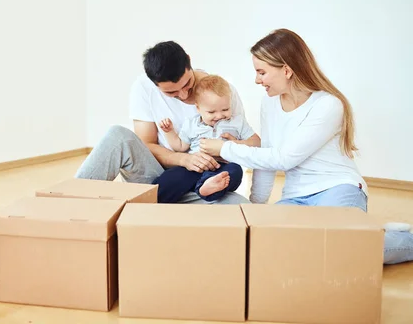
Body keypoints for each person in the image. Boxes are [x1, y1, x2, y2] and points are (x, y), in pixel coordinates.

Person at [199, 28, 413, 265]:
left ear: (287, 70)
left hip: (336, 188)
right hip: (295, 197)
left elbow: (284, 159)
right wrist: (258, 209)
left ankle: (389, 239)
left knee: (342, 252)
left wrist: (224, 149)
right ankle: (367, 232)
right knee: (269, 249)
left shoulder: (328, 105)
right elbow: (267, 158)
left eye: (261, 72)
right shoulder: (269, 103)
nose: (257, 80)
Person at [75, 40, 260, 204]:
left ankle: (153, 207)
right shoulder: (143, 88)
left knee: (241, 208)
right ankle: (70, 199)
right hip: (158, 178)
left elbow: (245, 141)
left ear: (189, 62)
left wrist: (229, 147)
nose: (184, 95)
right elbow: (146, 144)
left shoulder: (223, 92)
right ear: (154, 83)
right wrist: (185, 160)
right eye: (171, 93)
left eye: (187, 84)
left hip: (203, 183)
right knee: (117, 136)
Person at [153, 74, 255, 203]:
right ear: (198, 108)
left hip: (222, 166)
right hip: (195, 166)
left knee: (235, 171)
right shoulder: (191, 124)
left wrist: (234, 144)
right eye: (211, 112)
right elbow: (179, 146)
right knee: (172, 176)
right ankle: (155, 198)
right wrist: (169, 132)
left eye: (225, 109)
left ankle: (206, 189)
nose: (219, 116)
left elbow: (257, 142)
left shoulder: (237, 122)